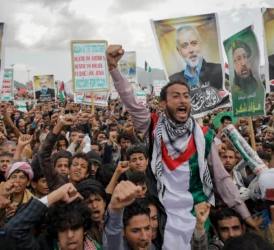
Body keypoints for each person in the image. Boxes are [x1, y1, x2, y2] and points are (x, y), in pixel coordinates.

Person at [106, 45, 255, 249]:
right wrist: (113, 67)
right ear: (164, 103)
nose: (182, 99)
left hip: (198, 213)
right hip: (164, 216)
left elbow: (221, 179)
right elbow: (130, 102)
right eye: (175, 96)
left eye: (186, 95)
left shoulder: (203, 136)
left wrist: (246, 216)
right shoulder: (153, 125)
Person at [168, 26, 227, 113]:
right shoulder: (173, 81)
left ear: (200, 44)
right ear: (178, 51)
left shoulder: (220, 71)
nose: (191, 50)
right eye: (185, 46)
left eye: (194, 43)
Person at [103, 181, 155, 250]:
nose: (144, 237)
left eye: (147, 228)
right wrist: (115, 209)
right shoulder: (116, 247)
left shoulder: (151, 247)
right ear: (123, 232)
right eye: (136, 231)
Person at [231, 39, 264, 105]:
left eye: (244, 57)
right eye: (239, 59)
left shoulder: (254, 81)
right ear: (234, 64)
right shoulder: (235, 88)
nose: (243, 63)